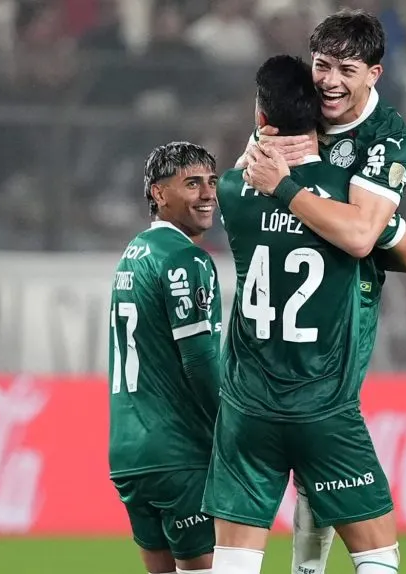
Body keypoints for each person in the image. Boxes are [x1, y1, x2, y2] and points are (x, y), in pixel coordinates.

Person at [204, 54, 401, 574]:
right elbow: (405, 252)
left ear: (261, 118)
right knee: (378, 554)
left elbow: (250, 163)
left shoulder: (232, 191)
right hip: (323, 404)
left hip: (248, 407)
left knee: (232, 561)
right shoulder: (345, 199)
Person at [241, 10, 406, 574]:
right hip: (289, 342)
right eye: (322, 65)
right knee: (318, 461)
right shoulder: (296, 112)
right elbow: (387, 242)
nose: (330, 81)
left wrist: (288, 187)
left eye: (347, 69)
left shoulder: (385, 136)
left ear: (375, 74)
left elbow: (368, 237)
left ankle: (306, 568)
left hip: (339, 324)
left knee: (315, 469)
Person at [108, 142, 222, 574]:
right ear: (158, 194)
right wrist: (232, 429)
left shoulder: (133, 254)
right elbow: (199, 361)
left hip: (129, 453)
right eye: (192, 183)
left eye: (211, 182)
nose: (208, 193)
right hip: (179, 450)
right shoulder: (185, 259)